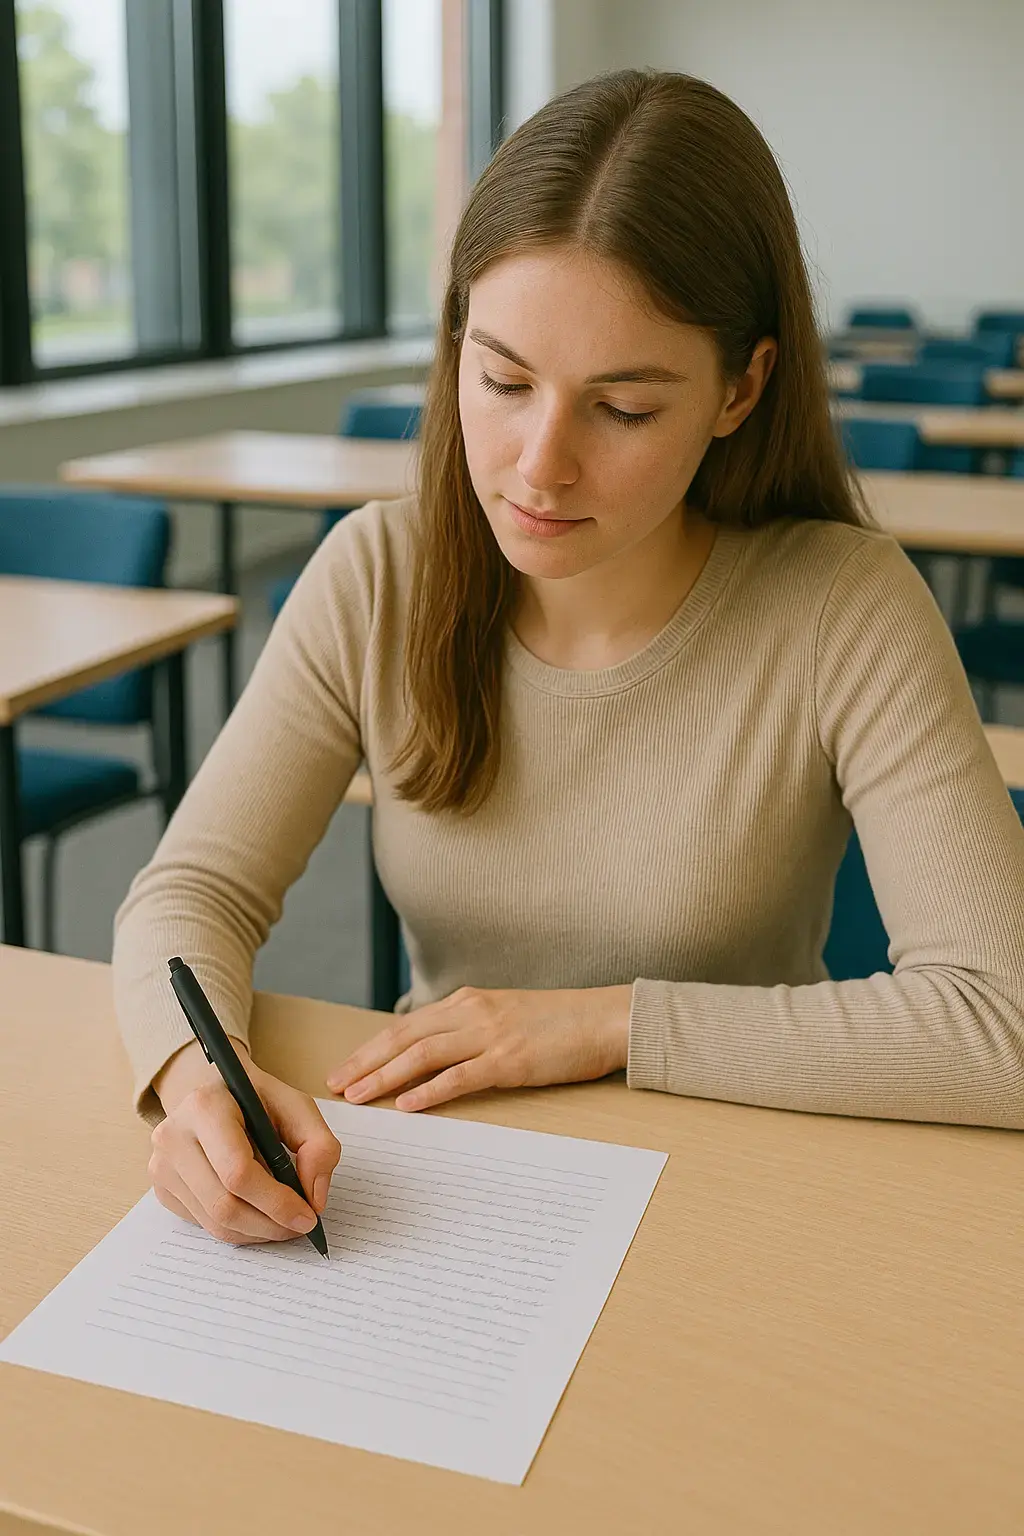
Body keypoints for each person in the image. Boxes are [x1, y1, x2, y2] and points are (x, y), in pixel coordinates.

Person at [113, 69, 1024, 1250]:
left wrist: (603, 1026)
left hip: (749, 1185)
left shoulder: (844, 607)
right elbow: (191, 893)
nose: (539, 465)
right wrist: (197, 1079)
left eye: (623, 408)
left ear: (740, 388)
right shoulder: (378, 573)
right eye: (502, 381)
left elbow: (1002, 1022)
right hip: (438, 1187)